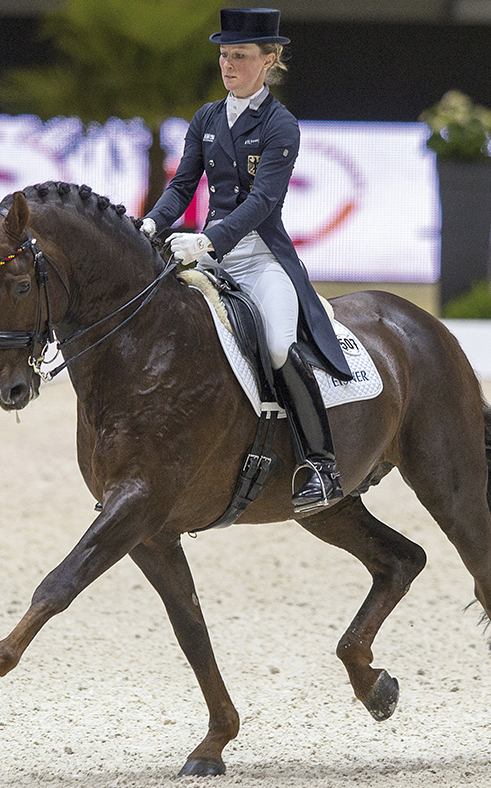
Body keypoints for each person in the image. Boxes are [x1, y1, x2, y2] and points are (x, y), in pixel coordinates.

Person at [139, 7, 353, 516]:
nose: (228, 65)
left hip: (260, 260)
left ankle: (321, 465)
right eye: (223, 55)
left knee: (279, 346)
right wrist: (151, 224)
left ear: (269, 59)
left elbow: (262, 203)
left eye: (239, 56)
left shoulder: (281, 125)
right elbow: (182, 185)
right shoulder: (208, 118)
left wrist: (207, 240)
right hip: (209, 257)